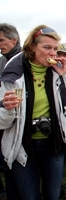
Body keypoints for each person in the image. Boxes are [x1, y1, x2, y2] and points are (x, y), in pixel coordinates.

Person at [0, 24, 66, 199]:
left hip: (53, 145)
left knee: (53, 195)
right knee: (29, 196)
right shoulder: (13, 74)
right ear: (32, 47)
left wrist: (65, 75)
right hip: (23, 146)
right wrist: (7, 108)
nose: (53, 53)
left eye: (55, 49)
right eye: (47, 47)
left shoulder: (57, 73)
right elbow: (4, 122)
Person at [0, 22, 22, 200]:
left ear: (14, 40)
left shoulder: (23, 61)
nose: (0, 45)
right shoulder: (2, 61)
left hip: (19, 121)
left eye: (1, 40)